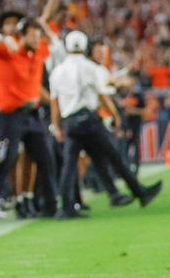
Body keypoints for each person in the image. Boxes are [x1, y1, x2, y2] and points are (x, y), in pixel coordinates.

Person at [49, 31, 162, 218]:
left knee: (70, 165)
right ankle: (139, 192)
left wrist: (56, 127)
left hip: (69, 121)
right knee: (114, 156)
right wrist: (115, 114)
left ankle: (67, 206)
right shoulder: (89, 67)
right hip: (88, 119)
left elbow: (54, 103)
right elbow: (101, 95)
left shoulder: (57, 71)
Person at [0, 16, 60, 221]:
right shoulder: (7, 49)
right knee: (6, 159)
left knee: (46, 159)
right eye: (32, 35)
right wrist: (2, 39)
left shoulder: (38, 51)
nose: (37, 39)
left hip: (31, 114)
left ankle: (51, 206)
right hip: (7, 115)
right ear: (21, 35)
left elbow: (49, 30)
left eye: (38, 36)